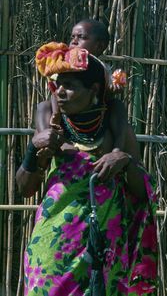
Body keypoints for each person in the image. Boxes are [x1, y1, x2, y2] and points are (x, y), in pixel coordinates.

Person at [16, 42, 157, 296]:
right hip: (52, 249)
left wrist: (123, 160)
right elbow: (24, 188)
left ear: (92, 89)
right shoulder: (51, 129)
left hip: (103, 251)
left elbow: (142, 190)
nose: (59, 92)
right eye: (58, 84)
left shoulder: (116, 132)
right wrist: (32, 149)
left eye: (69, 86)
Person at [36, 19, 127, 152]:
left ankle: (118, 148)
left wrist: (112, 90)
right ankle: (48, 140)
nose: (74, 41)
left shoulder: (103, 69)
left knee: (118, 105)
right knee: (43, 106)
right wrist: (56, 113)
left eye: (82, 37)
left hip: (94, 114)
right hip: (65, 110)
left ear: (99, 46)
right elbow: (57, 90)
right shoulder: (64, 63)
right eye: (72, 37)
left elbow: (103, 96)